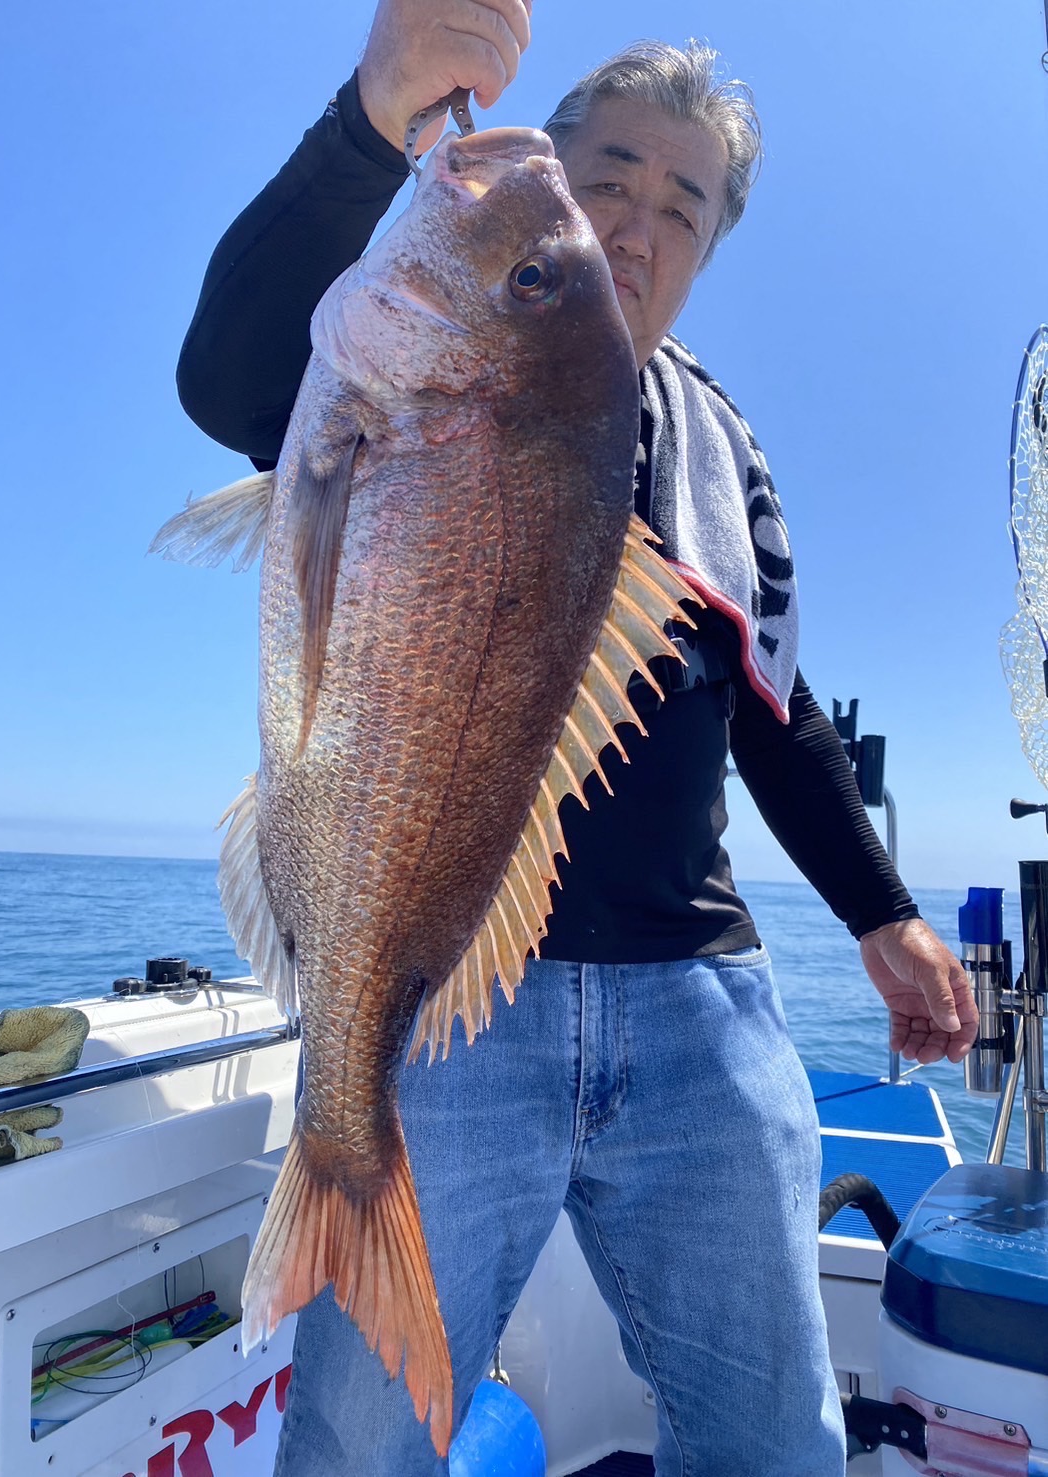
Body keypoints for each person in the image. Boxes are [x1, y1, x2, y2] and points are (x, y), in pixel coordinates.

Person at [176, 4, 980, 1472]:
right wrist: (371, 118)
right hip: (447, 1004)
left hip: (699, 999)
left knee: (777, 1438)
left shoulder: (721, 449)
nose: (634, 224)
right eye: (606, 176)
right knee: (360, 1444)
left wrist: (885, 913)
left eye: (683, 207)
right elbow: (226, 377)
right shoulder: (410, 353)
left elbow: (776, 702)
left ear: (706, 253)